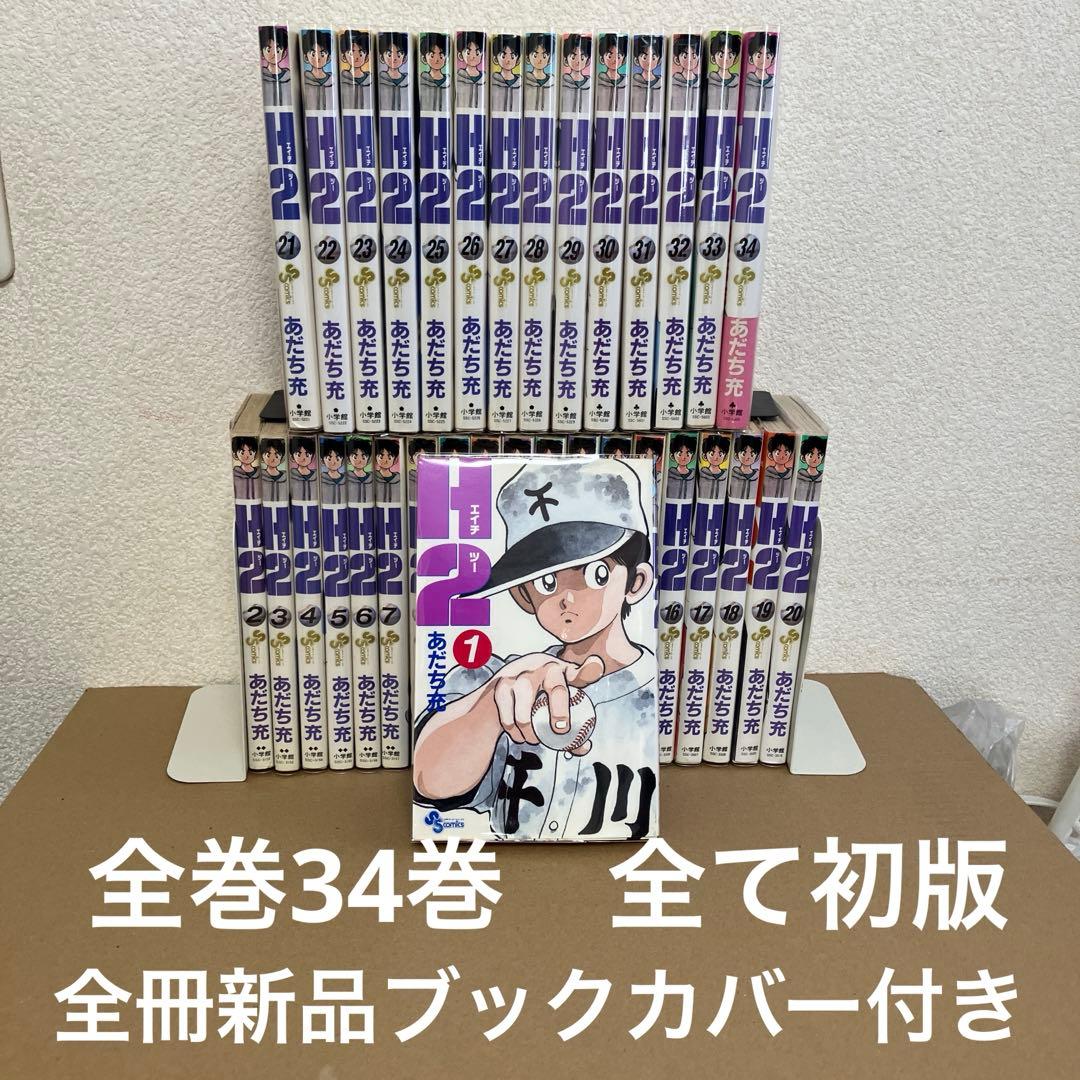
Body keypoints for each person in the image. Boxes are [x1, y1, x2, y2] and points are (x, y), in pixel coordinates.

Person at [413, 457, 658, 839]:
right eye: (546, 582)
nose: (567, 599)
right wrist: (491, 705)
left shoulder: (654, 691)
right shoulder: (504, 677)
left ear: (636, 583)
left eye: (595, 574)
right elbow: (429, 781)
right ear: (524, 596)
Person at [706, 30, 741, 112]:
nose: (726, 59)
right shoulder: (710, 81)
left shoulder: (737, 82)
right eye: (721, 55)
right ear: (713, 58)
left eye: (730, 55)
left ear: (735, 59)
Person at [743, 30, 778, 113]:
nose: (763, 60)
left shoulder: (773, 82)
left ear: (773, 61)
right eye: (759, 56)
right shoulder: (747, 81)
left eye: (768, 57)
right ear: (751, 59)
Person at [668, 33, 702, 113]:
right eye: (685, 56)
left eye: (694, 56)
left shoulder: (699, 81)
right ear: (677, 60)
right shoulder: (674, 82)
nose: (690, 60)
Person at [339, 29, 372, 111]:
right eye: (351, 53)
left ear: (367, 57)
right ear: (343, 57)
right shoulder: (342, 79)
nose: (356, 57)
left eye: (361, 53)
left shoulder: (369, 79)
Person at [301, 28, 333, 112]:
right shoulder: (305, 80)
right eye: (313, 54)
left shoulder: (332, 81)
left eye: (322, 54)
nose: (318, 58)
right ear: (306, 57)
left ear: (328, 58)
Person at [629, 34, 663, 112]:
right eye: (644, 57)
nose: (649, 61)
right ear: (636, 61)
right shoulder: (634, 81)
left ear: (659, 61)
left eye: (653, 58)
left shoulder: (660, 83)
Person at [378, 31, 410, 112]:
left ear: (404, 59)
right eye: (389, 55)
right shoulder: (381, 79)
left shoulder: (407, 81)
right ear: (381, 58)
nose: (394, 59)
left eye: (399, 55)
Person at [260, 25, 291, 108]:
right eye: (268, 50)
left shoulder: (288, 77)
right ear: (262, 53)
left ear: (284, 54)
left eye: (277, 50)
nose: (273, 54)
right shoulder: (263, 76)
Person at [595, 33, 627, 113]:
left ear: (624, 60)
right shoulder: (599, 81)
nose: (615, 60)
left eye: (618, 57)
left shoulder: (625, 81)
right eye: (609, 56)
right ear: (602, 59)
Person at [418, 32, 450, 112]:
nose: (437, 60)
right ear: (424, 59)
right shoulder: (422, 81)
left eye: (441, 56)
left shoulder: (449, 81)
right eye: (432, 56)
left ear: (446, 59)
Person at [560, 33, 592, 114]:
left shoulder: (589, 83)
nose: (578, 62)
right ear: (565, 60)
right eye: (573, 57)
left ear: (587, 61)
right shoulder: (564, 82)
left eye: (582, 58)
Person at [489, 34, 521, 112]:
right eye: (503, 56)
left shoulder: (519, 82)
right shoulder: (494, 80)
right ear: (495, 59)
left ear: (518, 60)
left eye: (512, 56)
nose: (508, 60)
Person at [522, 32, 554, 112]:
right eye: (535, 55)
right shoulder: (525, 80)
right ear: (527, 58)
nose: (540, 59)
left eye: (544, 56)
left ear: (549, 59)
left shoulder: (552, 82)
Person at [455, 30, 485, 110]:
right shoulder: (458, 77)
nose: (473, 56)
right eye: (468, 52)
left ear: (482, 55)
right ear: (460, 56)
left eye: (477, 53)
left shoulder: (485, 79)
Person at [696, 433, 730, 500]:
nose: (716, 457)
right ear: (704, 456)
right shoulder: (703, 473)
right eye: (712, 454)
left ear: (725, 457)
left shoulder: (725, 475)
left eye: (720, 454)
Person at [726, 433, 761, 500]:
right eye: (743, 454)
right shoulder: (733, 473)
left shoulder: (756, 476)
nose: (748, 457)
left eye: (752, 454)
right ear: (736, 455)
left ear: (757, 457)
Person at [761, 431, 795, 498]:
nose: (782, 456)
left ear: (790, 456)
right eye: (778, 453)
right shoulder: (767, 473)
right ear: (770, 455)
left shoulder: (790, 474)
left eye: (786, 453)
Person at [794, 435, 827, 502]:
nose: (815, 459)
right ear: (803, 458)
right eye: (811, 456)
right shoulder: (800, 476)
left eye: (819, 456)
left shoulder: (821, 478)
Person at [666, 433, 697, 499]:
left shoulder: (693, 474)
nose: (683, 457)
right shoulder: (669, 474)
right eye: (679, 454)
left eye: (688, 454)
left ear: (693, 456)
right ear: (672, 456)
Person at [320, 438, 347, 505]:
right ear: (322, 460)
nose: (333, 462)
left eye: (337, 459)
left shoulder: (345, 478)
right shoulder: (322, 477)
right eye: (329, 459)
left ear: (343, 460)